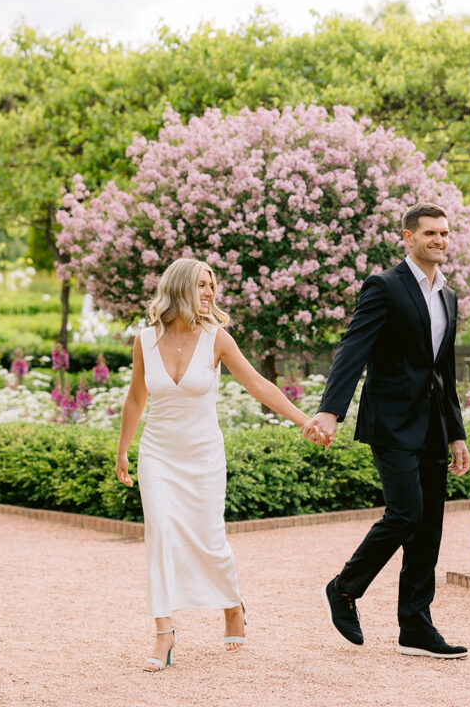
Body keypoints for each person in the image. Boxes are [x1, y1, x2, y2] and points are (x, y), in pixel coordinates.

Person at [115, 257, 322, 672]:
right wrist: (122, 450)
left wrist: (304, 420)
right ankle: (164, 634)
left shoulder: (217, 338)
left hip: (203, 456)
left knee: (210, 540)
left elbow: (257, 384)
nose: (210, 292)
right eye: (202, 285)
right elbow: (137, 398)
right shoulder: (144, 340)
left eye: (213, 285)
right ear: (179, 289)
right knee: (159, 534)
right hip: (157, 454)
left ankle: (232, 605)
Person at [304, 202, 470, 659]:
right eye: (430, 233)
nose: (439, 240)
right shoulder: (384, 285)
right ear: (407, 236)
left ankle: (416, 627)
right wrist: (330, 411)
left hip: (434, 427)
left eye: (445, 233)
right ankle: (343, 588)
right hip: (391, 423)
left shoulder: (448, 296)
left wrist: (456, 433)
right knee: (406, 513)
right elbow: (353, 348)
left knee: (429, 527)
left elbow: (444, 372)